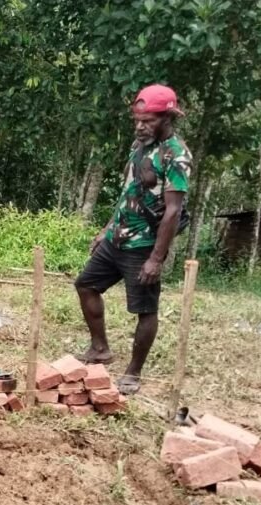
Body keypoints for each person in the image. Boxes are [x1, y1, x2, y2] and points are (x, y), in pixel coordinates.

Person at [75, 84, 192, 395]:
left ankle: (133, 372)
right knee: (86, 285)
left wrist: (156, 258)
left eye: (148, 121)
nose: (140, 127)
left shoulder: (176, 156)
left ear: (167, 118)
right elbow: (128, 192)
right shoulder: (139, 146)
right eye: (137, 120)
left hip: (144, 245)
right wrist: (106, 229)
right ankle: (100, 348)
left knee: (145, 309)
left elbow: (173, 212)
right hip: (118, 237)